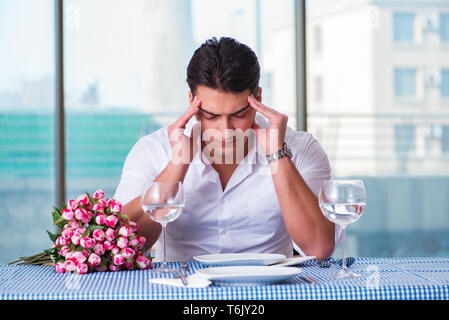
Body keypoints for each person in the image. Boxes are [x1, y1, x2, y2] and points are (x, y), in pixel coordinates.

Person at [113, 37, 340, 262]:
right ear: (191, 100)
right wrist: (178, 164)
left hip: (271, 290)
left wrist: (277, 153)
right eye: (211, 116)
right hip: (181, 289)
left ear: (258, 98)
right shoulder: (152, 150)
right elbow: (119, 244)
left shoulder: (301, 148)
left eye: (238, 114)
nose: (225, 130)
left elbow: (318, 247)